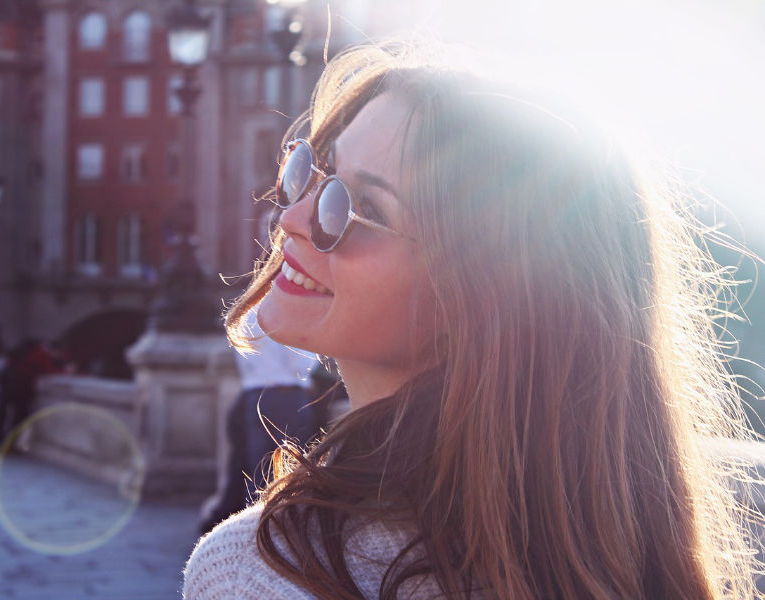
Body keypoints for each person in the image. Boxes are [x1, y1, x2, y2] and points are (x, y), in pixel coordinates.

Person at [182, 40, 762, 599]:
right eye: (315, 169)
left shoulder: (257, 573)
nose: (293, 219)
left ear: (476, 297)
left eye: (358, 210)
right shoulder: (635, 549)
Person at [198, 317, 319, 535]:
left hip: (251, 393)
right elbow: (300, 364)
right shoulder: (287, 309)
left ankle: (241, 528)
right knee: (284, 474)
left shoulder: (249, 311)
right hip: (285, 396)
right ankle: (265, 533)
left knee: (251, 470)